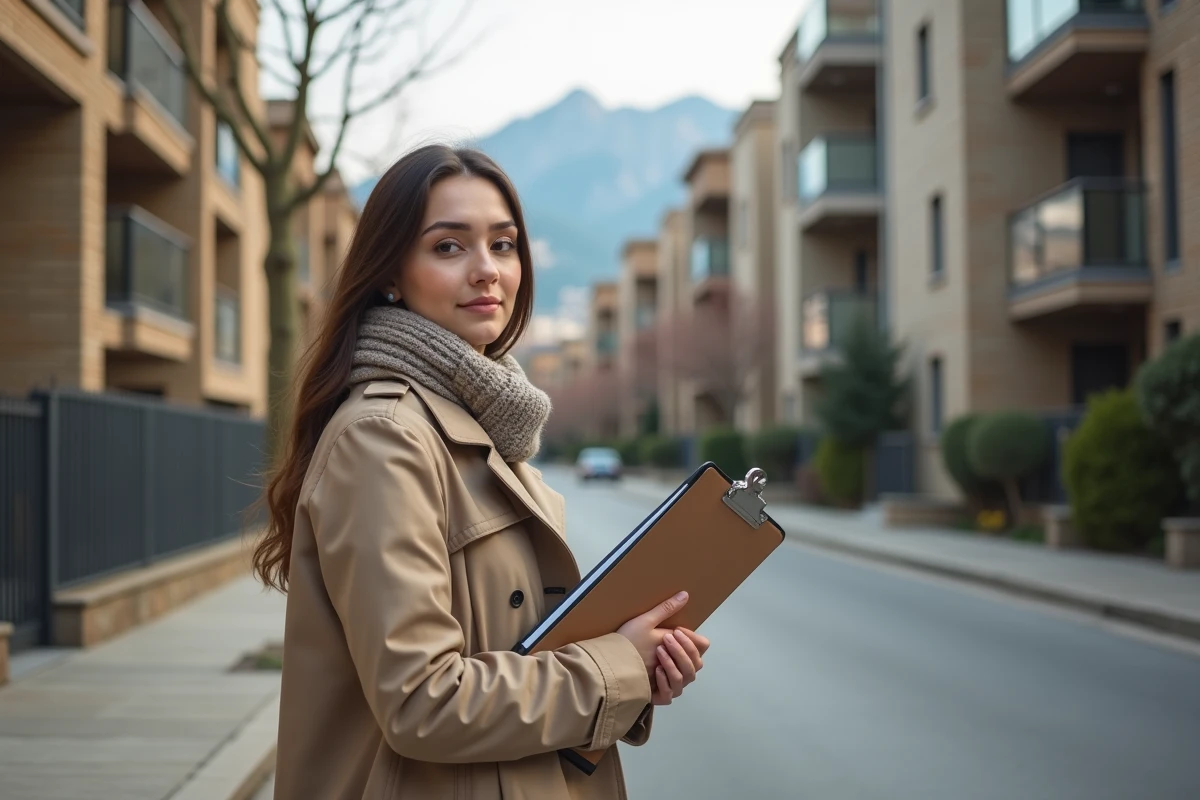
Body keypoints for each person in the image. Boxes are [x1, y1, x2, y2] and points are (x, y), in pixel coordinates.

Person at [256, 144, 711, 799]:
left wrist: (639, 670)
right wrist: (615, 665)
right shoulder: (385, 438)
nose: (487, 271)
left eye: (503, 245)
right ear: (390, 272)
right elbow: (421, 702)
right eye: (448, 247)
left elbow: (521, 657)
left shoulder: (486, 426)